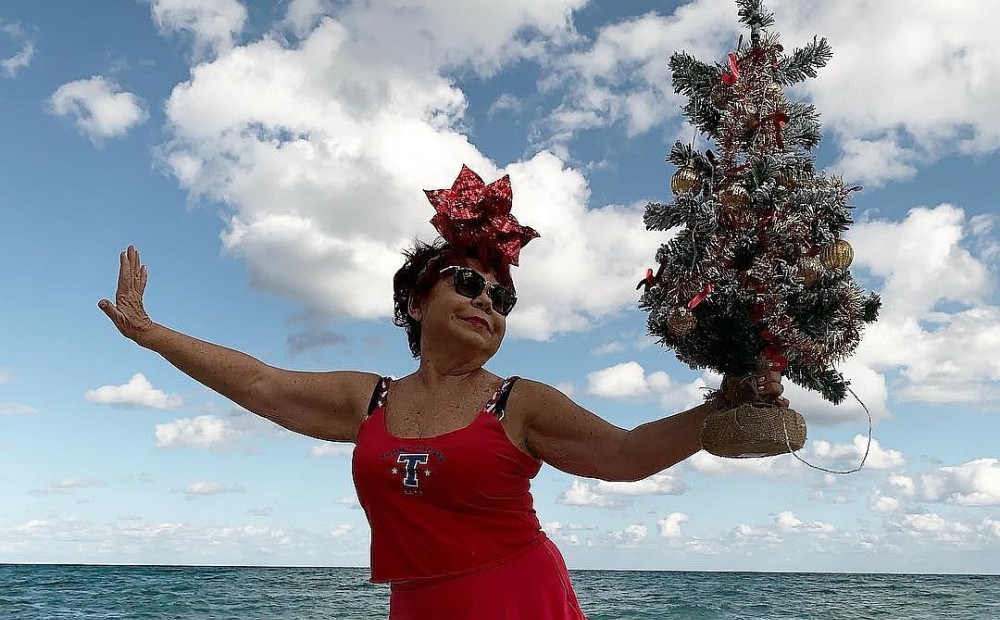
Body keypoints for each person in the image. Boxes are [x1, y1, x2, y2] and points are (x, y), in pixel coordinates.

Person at [99, 166, 787, 619]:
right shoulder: (366, 400)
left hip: (521, 600)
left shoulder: (518, 402)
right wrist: (151, 334)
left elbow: (626, 454)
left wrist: (720, 409)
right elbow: (258, 381)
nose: (487, 301)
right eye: (468, 283)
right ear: (417, 300)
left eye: (501, 298)